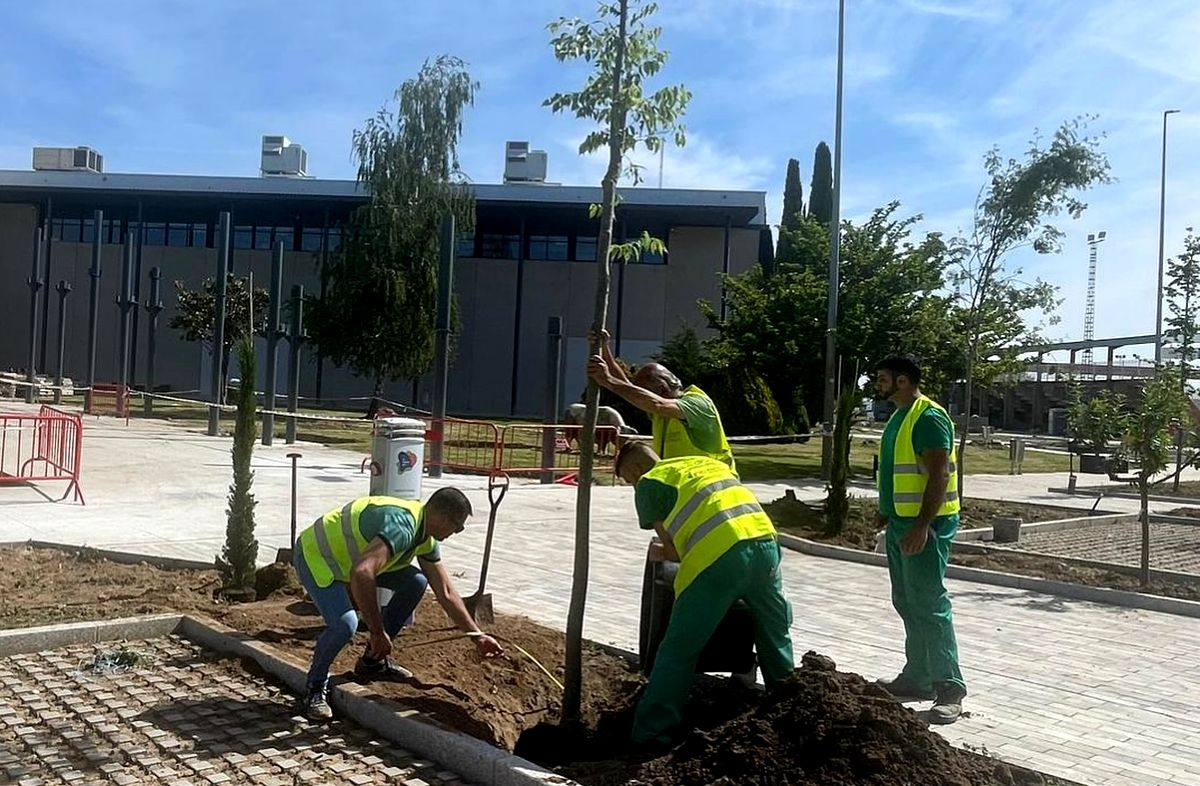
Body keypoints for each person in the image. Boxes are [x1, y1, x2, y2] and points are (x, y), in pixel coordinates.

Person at [614, 441, 794, 746]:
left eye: (628, 480)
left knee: (678, 649)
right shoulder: (705, 464)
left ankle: (652, 731)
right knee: (775, 635)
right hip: (766, 546)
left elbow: (672, 549)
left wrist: (660, 553)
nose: (633, 485)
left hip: (718, 560)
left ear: (634, 470)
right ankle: (791, 711)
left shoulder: (649, 483)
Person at [293, 488, 504, 720]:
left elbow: (445, 591)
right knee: (345, 625)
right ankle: (314, 687)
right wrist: (376, 631)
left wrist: (477, 635)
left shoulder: (425, 536)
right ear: (444, 518)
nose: (456, 532)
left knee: (416, 581)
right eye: (458, 526)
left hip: (351, 561)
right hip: (318, 556)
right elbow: (363, 572)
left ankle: (372, 662)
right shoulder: (402, 527)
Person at [872, 355, 967, 724]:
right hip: (902, 522)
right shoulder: (899, 416)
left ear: (902, 381)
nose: (877, 383)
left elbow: (938, 475)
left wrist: (922, 525)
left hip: (926, 525)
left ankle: (950, 687)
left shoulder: (927, 417)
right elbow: (903, 471)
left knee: (929, 604)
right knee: (907, 601)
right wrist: (888, 509)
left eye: (882, 378)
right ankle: (918, 678)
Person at [587, 329, 736, 473]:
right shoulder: (661, 414)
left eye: (645, 391)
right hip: (688, 487)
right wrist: (604, 347)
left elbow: (656, 403)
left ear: (662, 390)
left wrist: (609, 381)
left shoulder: (697, 403)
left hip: (715, 487)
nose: (641, 396)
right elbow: (628, 387)